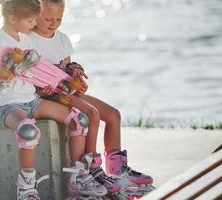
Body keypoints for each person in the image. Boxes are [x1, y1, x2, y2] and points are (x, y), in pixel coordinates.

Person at [29, 0, 154, 195]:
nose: (53, 23)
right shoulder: (29, 40)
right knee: (91, 114)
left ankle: (118, 171)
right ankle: (91, 170)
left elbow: (66, 72)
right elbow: (29, 77)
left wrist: (75, 74)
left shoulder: (62, 39)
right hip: (51, 97)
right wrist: (41, 89)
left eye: (58, 19)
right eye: (48, 19)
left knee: (114, 115)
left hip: (67, 92)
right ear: (36, 15)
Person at [0, 0, 106, 199]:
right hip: (9, 105)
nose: (34, 25)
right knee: (28, 131)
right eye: (30, 21)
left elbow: (39, 73)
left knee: (79, 119)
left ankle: (77, 180)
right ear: (13, 18)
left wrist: (65, 75)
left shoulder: (25, 39)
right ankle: (26, 189)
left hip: (32, 100)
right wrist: (10, 72)